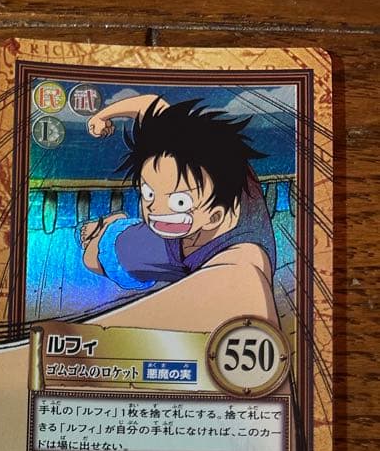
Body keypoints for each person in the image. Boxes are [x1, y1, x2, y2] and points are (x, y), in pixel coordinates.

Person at [79, 96, 279, 332]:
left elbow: (250, 295)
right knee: (93, 258)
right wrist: (102, 116)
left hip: (183, 248)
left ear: (215, 216)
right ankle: (112, 225)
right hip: (172, 239)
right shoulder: (198, 153)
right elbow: (151, 106)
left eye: (179, 201)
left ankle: (113, 224)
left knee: (94, 257)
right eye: (148, 193)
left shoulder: (245, 255)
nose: (154, 209)